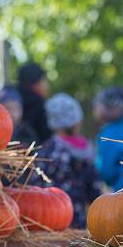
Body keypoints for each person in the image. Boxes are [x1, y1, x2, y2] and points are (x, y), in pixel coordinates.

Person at [30, 93, 102, 228]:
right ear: (77, 122)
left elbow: (35, 184)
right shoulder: (86, 150)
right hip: (78, 219)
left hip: (50, 218)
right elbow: (95, 189)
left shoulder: (47, 150)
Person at [17, 62, 51, 144]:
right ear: (34, 83)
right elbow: (46, 136)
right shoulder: (39, 104)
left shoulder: (12, 99)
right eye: (44, 81)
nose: (47, 86)